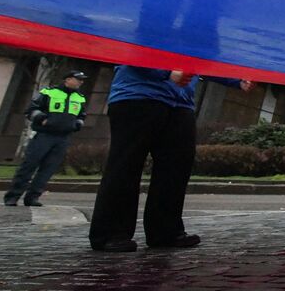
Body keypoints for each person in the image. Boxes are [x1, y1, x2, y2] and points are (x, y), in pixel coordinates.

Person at [88, 66, 252, 252]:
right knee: (125, 166)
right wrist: (166, 73)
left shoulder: (197, 38)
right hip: (138, 96)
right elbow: (133, 52)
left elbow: (202, 63)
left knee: (176, 167)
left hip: (180, 103)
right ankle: (109, 234)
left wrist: (236, 80)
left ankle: (165, 232)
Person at [4, 70, 89, 207]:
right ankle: (13, 197)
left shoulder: (80, 98)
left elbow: (82, 115)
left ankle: (32, 198)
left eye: (82, 79)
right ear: (67, 79)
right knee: (28, 166)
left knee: (48, 169)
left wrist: (77, 124)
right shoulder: (49, 92)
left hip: (63, 138)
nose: (81, 82)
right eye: (78, 79)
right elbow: (31, 110)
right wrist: (42, 120)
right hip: (44, 135)